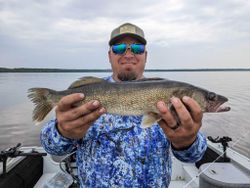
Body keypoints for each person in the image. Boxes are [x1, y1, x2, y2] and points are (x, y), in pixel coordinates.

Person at [41, 23, 207, 187]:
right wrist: (62, 131)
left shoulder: (171, 97)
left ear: (146, 55)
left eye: (137, 48)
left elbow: (193, 157)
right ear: (109, 55)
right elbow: (52, 148)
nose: (128, 54)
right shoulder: (85, 94)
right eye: (119, 48)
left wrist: (187, 141)